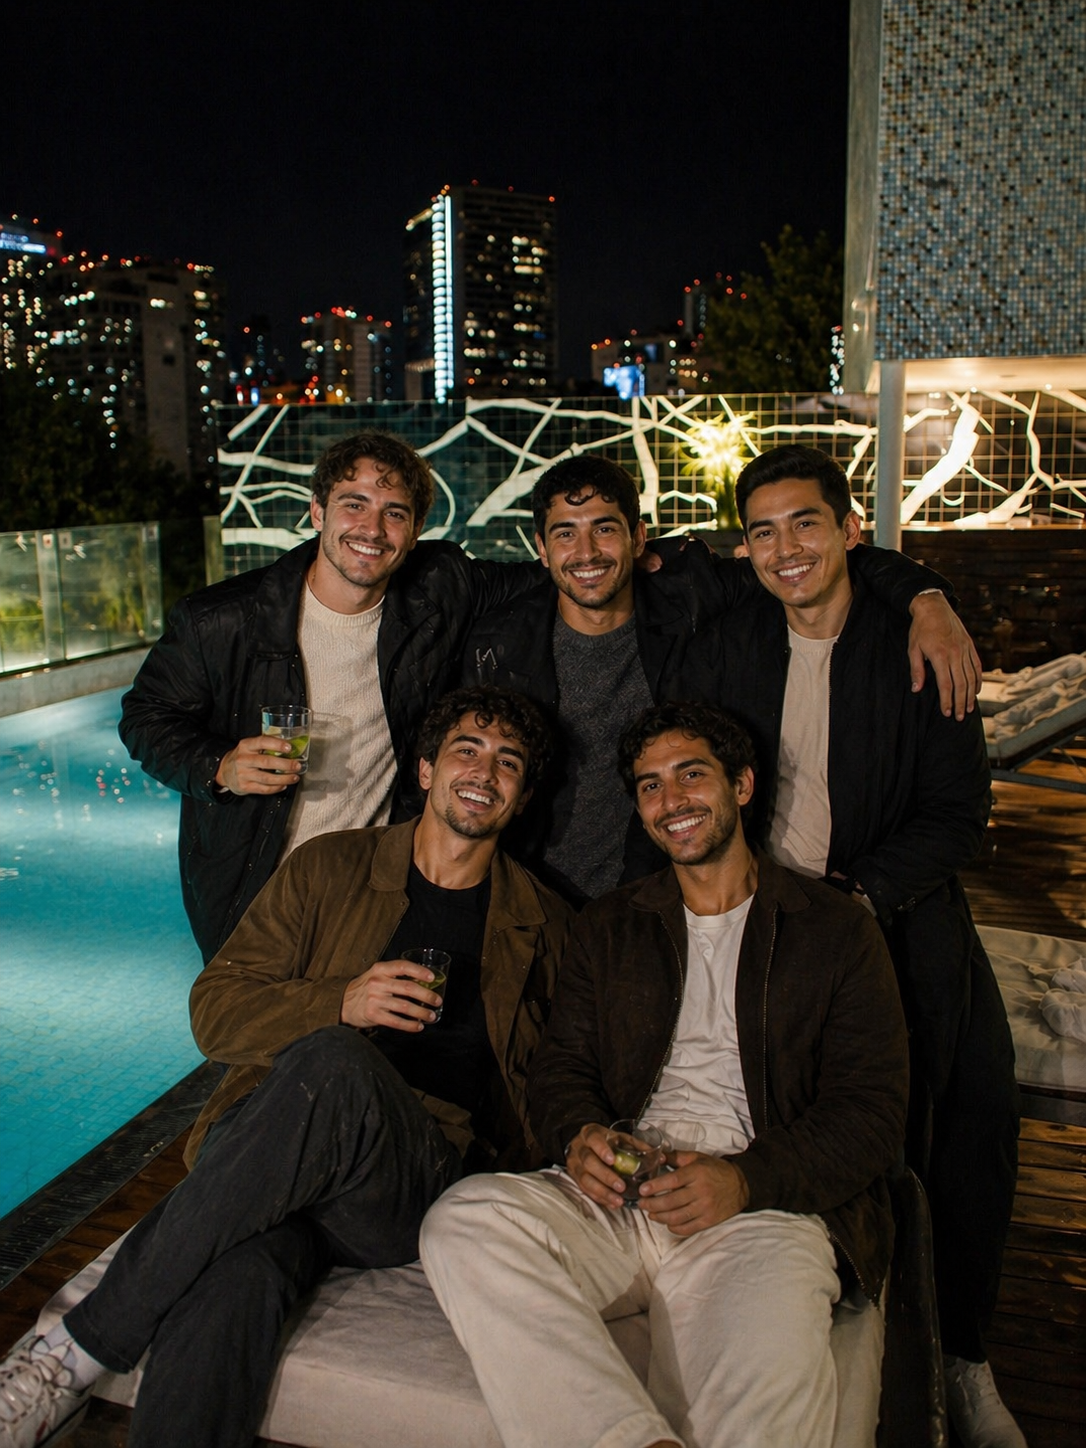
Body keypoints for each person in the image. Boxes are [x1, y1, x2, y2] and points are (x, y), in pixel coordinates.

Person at [0, 688, 571, 1448]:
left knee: (337, 1062)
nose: (484, 772)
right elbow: (216, 1012)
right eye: (467, 749)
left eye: (508, 763)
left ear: (523, 796)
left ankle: (77, 1349)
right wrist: (342, 1000)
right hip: (280, 1161)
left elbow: (566, 1077)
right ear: (427, 771)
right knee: (234, 1279)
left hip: (405, 1179)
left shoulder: (545, 923)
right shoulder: (328, 868)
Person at [420, 701, 909, 1448]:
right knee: (465, 1221)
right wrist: (578, 1136)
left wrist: (745, 1179)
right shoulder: (611, 925)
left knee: (760, 1400)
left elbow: (871, 1113)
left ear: (741, 785)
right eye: (649, 786)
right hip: (623, 1191)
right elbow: (560, 1071)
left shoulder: (834, 928)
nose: (670, 800)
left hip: (757, 1204)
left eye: (690, 776)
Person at [689, 444, 1023, 1448]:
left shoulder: (915, 646)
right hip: (760, 934)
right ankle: (831, 1320)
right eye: (763, 530)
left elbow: (960, 815)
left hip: (892, 917)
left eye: (807, 523)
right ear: (743, 545)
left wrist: (860, 895)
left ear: (848, 530)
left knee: (960, 1130)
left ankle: (962, 1355)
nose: (786, 548)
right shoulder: (727, 637)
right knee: (788, 1128)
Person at [464, 453, 981, 903]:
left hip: (663, 889)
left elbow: (818, 566)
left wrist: (926, 598)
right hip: (530, 891)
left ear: (639, 536)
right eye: (565, 534)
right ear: (540, 546)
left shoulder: (694, 604)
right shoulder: (500, 642)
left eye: (603, 528)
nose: (586, 553)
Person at [120, 430, 540, 962]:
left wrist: (661, 559)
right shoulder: (220, 620)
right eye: (354, 504)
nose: (372, 528)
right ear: (318, 511)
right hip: (256, 887)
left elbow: (557, 572)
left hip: (372, 893)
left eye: (394, 513)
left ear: (414, 533)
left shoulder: (438, 589)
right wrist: (220, 765)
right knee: (247, 1037)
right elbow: (144, 717)